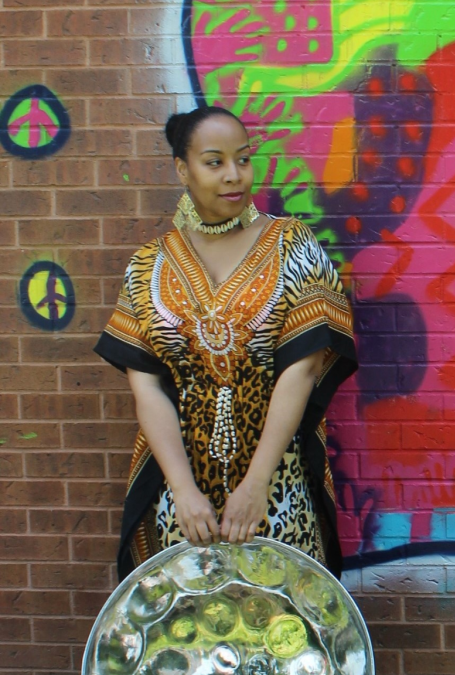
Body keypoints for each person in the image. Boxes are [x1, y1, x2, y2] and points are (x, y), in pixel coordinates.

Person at [94, 106, 357, 579]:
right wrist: (183, 492)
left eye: (243, 159)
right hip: (179, 493)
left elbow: (304, 368)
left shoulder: (291, 244)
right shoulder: (149, 265)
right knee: (186, 632)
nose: (233, 176)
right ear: (183, 168)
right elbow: (146, 387)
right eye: (214, 162)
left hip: (277, 482)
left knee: (280, 628)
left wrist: (259, 484)